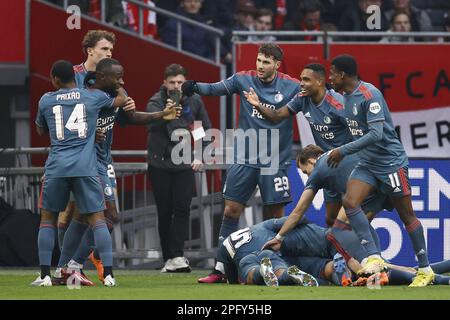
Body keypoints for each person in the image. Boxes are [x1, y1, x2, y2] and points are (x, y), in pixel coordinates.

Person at [53, 59, 181, 284]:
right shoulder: (85, 95)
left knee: (91, 216)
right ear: (102, 76)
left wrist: (162, 115)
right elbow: (65, 125)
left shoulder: (117, 94)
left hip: (104, 161)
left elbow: (131, 118)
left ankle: (67, 267)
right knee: (105, 215)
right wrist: (90, 136)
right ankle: (70, 266)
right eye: (118, 77)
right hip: (86, 162)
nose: (122, 81)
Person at [182, 43, 301, 283]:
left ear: (277, 65)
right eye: (258, 60)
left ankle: (279, 268)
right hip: (244, 158)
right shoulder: (243, 79)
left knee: (276, 216)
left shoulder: (292, 86)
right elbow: (216, 89)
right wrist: (194, 86)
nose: (260, 65)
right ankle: (221, 269)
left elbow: (315, 97)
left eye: (266, 62)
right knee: (230, 211)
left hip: (274, 161)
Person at [326, 54, 434, 287]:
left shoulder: (370, 95)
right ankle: (374, 256)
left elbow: (375, 135)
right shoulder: (345, 97)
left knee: (407, 216)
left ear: (342, 74)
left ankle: (425, 269)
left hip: (390, 163)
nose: (330, 77)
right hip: (368, 165)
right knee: (350, 201)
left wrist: (343, 150)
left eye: (332, 73)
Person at [31, 60, 128, 287]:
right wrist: (116, 83)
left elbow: (40, 129)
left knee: (47, 221)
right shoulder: (91, 96)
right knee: (98, 220)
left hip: (56, 168)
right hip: (86, 167)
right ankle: (110, 274)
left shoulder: (46, 99)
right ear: (75, 79)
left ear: (54, 79)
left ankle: (45, 275)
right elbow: (121, 99)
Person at [243, 63, 354, 227]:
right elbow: (276, 116)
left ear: (320, 82)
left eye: (306, 79)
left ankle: (361, 251)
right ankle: (340, 251)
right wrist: (258, 105)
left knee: (349, 217)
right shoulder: (302, 99)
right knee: (331, 219)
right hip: (329, 166)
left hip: (348, 165)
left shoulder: (338, 104)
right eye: (301, 79)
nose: (301, 83)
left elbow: (360, 131)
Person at [147, 64, 211, 273]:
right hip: (160, 164)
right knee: (164, 212)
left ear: (185, 82)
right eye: (172, 82)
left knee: (182, 208)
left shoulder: (195, 101)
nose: (176, 86)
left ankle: (177, 256)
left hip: (184, 163)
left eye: (180, 82)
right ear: (165, 82)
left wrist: (200, 155)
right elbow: (152, 126)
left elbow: (203, 130)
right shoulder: (156, 102)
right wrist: (167, 112)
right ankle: (169, 258)